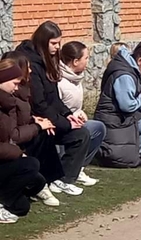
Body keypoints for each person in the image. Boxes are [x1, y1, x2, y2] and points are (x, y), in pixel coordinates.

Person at [16, 22, 92, 197]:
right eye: (54, 43)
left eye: (59, 43)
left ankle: (64, 179)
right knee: (55, 135)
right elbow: (39, 103)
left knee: (82, 133)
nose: (58, 47)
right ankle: (49, 180)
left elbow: (54, 98)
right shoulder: (31, 64)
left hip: (52, 117)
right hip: (37, 119)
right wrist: (63, 123)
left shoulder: (47, 59)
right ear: (43, 41)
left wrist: (68, 115)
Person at [0, 54, 63, 206]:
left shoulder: (14, 96)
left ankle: (46, 181)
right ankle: (38, 183)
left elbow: (18, 121)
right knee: (39, 142)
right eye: (27, 67)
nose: (30, 70)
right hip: (11, 148)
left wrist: (34, 120)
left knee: (46, 133)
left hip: (10, 145)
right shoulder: (10, 100)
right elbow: (13, 134)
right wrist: (36, 126)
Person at [94, 43, 141, 168]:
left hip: (125, 118)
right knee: (116, 155)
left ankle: (135, 154)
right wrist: (140, 98)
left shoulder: (135, 71)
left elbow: (139, 98)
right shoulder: (124, 75)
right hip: (112, 118)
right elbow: (127, 105)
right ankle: (128, 155)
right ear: (140, 60)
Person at [0, 60, 47, 223]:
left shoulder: (8, 103)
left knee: (23, 206)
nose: (16, 88)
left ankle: (6, 198)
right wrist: (18, 154)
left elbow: (11, 133)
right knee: (30, 165)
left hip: (5, 157)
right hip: (5, 157)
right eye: (14, 83)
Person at [56, 41, 106, 185]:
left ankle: (79, 168)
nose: (88, 61)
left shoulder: (77, 78)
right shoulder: (60, 81)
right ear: (75, 61)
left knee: (98, 128)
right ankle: (64, 172)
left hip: (75, 121)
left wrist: (79, 112)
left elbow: (73, 105)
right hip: (61, 125)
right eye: (86, 58)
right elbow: (56, 107)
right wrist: (70, 118)